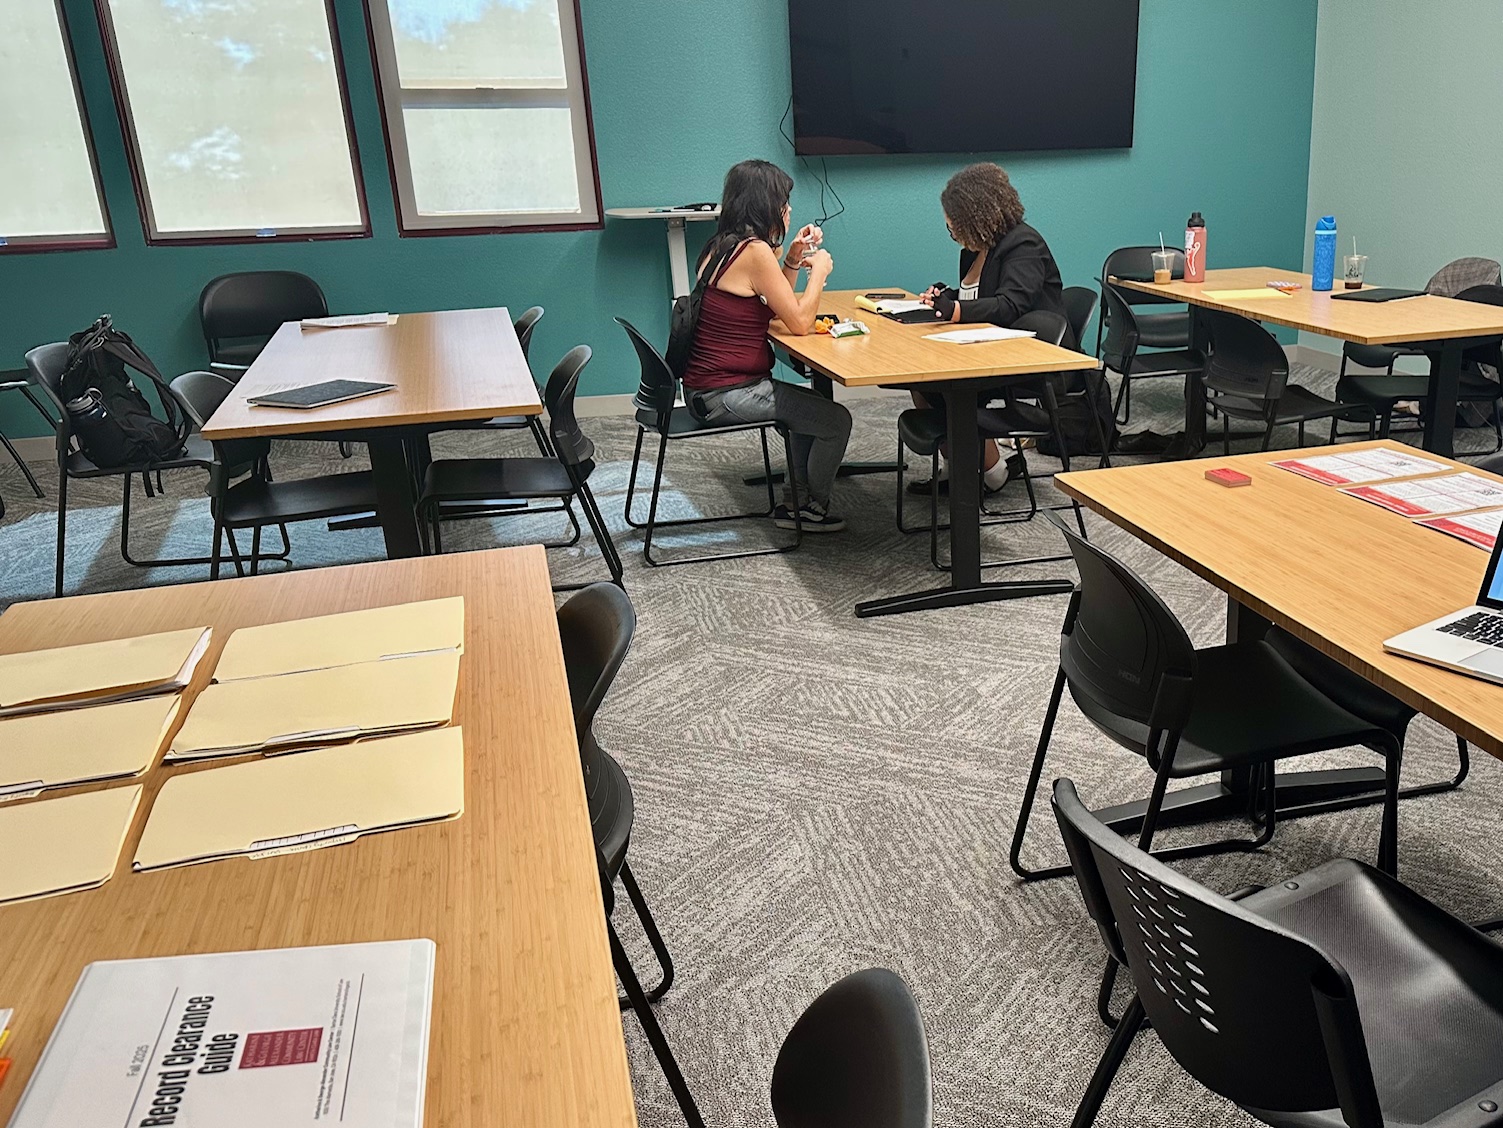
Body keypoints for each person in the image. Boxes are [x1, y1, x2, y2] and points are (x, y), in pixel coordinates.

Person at [683, 160, 853, 532]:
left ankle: (797, 501)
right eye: (784, 202)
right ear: (766, 205)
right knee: (836, 421)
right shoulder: (756, 252)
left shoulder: (722, 246)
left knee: (810, 412)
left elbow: (772, 303)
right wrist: (819, 272)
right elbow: (799, 321)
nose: (788, 210)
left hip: (704, 388)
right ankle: (812, 509)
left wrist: (792, 259)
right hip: (728, 394)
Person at [910, 162, 1073, 495]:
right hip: (988, 352)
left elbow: (1010, 304)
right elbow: (980, 298)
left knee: (946, 388)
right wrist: (946, 297)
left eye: (954, 227)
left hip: (1032, 361)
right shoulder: (975, 250)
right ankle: (962, 468)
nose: (953, 235)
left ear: (976, 217)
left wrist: (955, 310)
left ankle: (993, 473)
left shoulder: (1023, 245)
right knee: (922, 384)